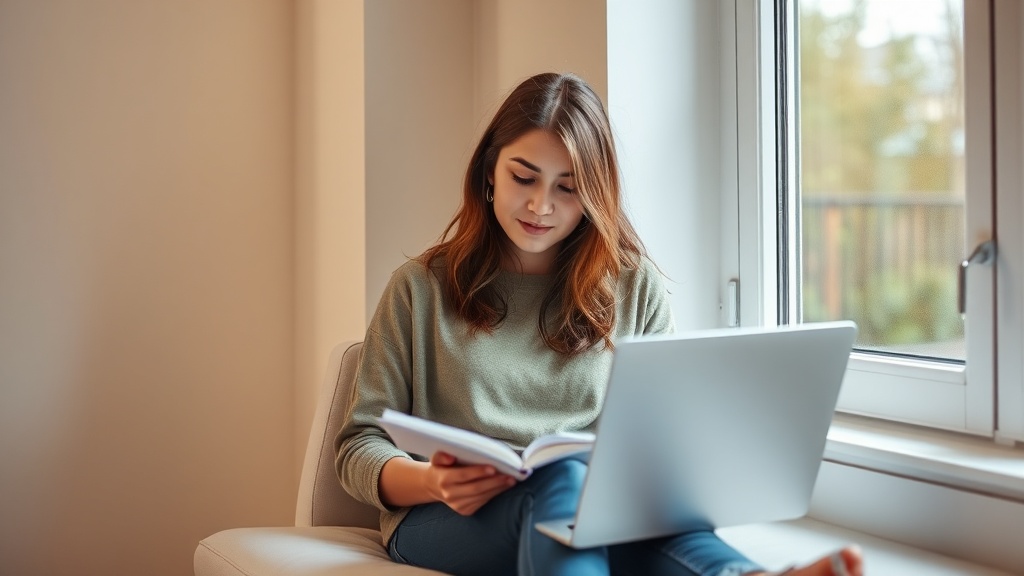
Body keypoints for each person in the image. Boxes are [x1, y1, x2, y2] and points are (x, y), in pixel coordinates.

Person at [335, 72, 864, 576]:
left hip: (589, 506)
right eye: (524, 177)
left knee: (628, 512)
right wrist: (431, 480)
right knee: (567, 488)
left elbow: (660, 443)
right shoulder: (419, 287)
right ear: (489, 172)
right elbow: (359, 444)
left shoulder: (634, 287)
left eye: (568, 188)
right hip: (440, 518)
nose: (541, 205)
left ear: (593, 194)